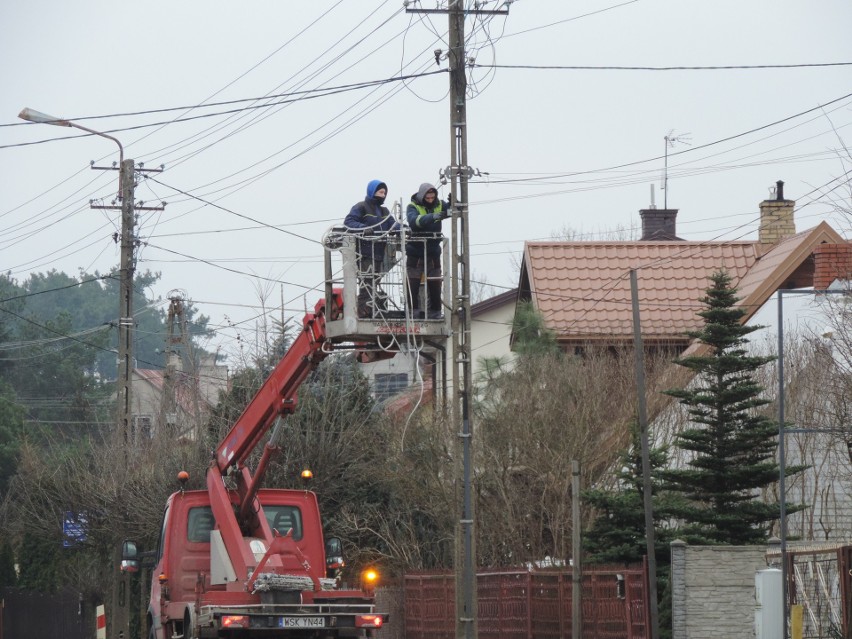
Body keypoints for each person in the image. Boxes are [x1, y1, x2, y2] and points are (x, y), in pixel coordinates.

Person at [344, 180, 400, 318]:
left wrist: (402, 229)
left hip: (380, 253)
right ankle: (365, 312)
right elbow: (349, 222)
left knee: (374, 282)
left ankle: (374, 308)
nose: (383, 195)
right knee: (367, 283)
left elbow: (392, 224)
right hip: (365, 252)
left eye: (384, 193)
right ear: (372, 191)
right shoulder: (361, 207)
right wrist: (363, 229)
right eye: (380, 192)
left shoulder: (384, 211)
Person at [406, 183, 450, 319]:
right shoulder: (413, 206)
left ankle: (435, 311)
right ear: (422, 196)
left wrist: (453, 203)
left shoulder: (440, 204)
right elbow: (414, 222)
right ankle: (413, 312)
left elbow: (451, 211)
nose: (430, 200)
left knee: (436, 283)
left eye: (432, 197)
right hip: (416, 252)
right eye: (428, 198)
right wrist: (433, 217)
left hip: (433, 251)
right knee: (412, 283)